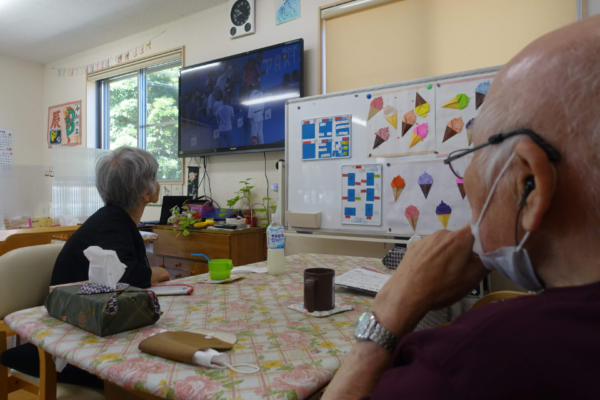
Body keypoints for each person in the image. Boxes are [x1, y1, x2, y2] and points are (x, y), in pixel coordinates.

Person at [324, 16, 600, 400]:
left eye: (471, 153)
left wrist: (392, 305)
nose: (467, 176)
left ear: (528, 184)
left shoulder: (469, 360)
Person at [1, 147, 171, 388]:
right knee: (157, 371)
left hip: (93, 328)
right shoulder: (112, 223)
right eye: (155, 178)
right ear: (147, 192)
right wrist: (159, 272)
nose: (158, 183)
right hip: (72, 348)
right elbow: (128, 277)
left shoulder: (111, 218)